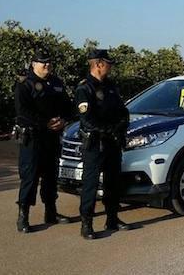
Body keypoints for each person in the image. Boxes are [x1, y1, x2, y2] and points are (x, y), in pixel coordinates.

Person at [14, 50, 74, 233]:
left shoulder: (56, 83)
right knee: (30, 177)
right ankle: (23, 217)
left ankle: (51, 212)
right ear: (33, 64)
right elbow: (22, 111)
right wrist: (45, 123)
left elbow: (67, 105)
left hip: (52, 137)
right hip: (33, 138)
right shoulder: (25, 84)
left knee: (51, 176)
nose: (46, 65)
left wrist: (63, 119)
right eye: (42, 62)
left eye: (48, 62)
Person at [75, 49, 131, 240]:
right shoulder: (85, 88)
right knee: (90, 184)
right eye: (108, 63)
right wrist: (110, 130)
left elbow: (122, 111)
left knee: (112, 182)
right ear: (98, 64)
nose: (110, 66)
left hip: (113, 143)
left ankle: (112, 218)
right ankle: (87, 223)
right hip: (95, 143)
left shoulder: (111, 86)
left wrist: (122, 126)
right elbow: (87, 120)